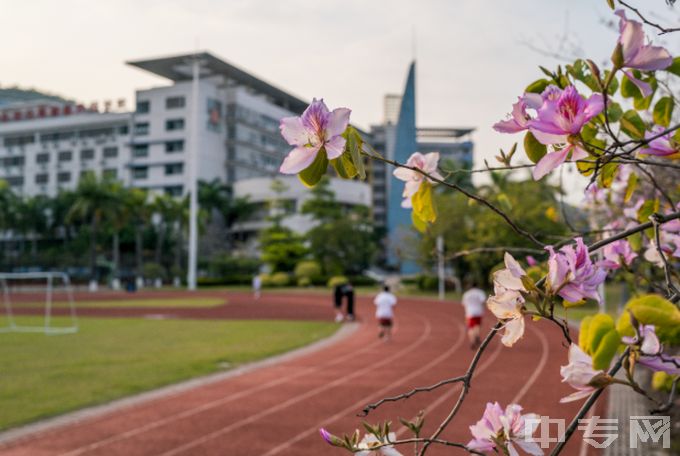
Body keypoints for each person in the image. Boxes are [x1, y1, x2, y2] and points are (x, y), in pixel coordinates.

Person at [461, 280, 487, 349]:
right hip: (478, 311)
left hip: (469, 312)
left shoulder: (467, 294)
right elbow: (483, 301)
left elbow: (463, 304)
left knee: (470, 327)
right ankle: (476, 335)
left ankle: (472, 340)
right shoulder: (480, 292)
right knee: (477, 325)